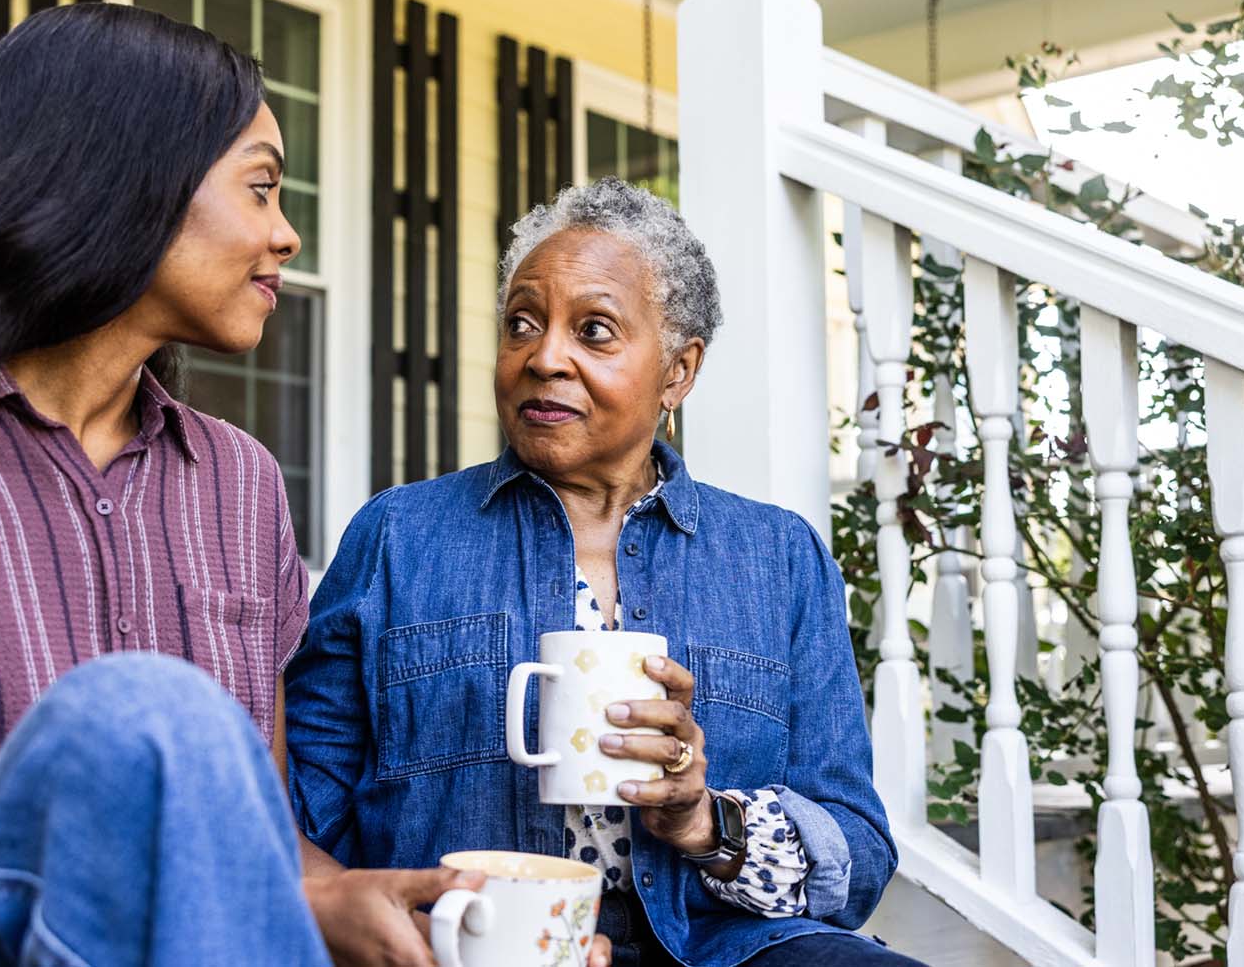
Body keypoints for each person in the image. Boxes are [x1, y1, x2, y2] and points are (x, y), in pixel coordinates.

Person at [0, 3, 503, 967]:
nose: (287, 235)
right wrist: (210, 893)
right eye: (260, 188)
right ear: (125, 182)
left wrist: (376, 907)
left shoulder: (239, 482)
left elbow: (264, 850)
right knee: (144, 712)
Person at [286, 178, 921, 966]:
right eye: (523, 323)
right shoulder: (397, 537)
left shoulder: (778, 556)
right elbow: (302, 812)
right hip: (480, 945)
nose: (544, 357)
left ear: (678, 372)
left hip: (729, 949)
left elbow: (855, 853)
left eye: (594, 330)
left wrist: (704, 821)